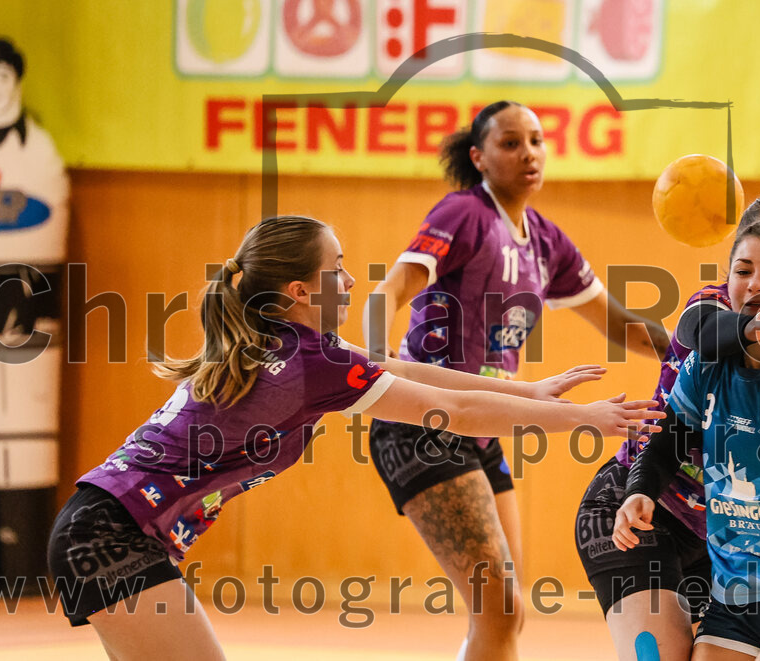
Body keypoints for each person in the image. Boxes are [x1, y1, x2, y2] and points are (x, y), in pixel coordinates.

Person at [46, 215, 661, 660]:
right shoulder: (309, 360)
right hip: (111, 537)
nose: (348, 280)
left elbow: (403, 369)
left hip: (103, 529)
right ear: (300, 292)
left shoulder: (291, 346)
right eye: (336, 269)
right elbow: (452, 409)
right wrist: (583, 419)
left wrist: (528, 393)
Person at [364, 100, 669, 661]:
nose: (528, 152)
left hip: (482, 423)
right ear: (479, 157)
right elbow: (387, 291)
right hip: (424, 422)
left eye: (535, 139)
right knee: (498, 605)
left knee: (507, 614)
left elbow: (618, 322)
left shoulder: (547, 240)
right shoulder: (463, 213)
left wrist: (691, 350)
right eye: (510, 143)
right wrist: (378, 362)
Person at [575, 192, 760, 661]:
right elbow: (704, 338)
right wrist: (755, 328)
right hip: (644, 504)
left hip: (727, 538)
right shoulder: (710, 304)